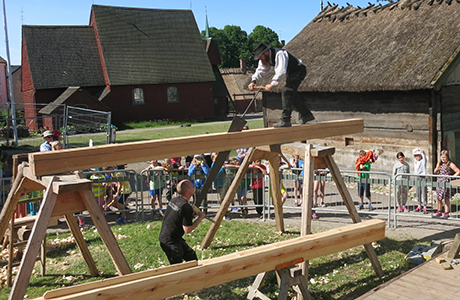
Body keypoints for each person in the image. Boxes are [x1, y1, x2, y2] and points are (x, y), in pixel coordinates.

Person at [248, 43, 314, 127]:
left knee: (287, 92)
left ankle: (285, 119)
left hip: (298, 71)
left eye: (261, 56)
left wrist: (272, 84)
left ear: (266, 52)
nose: (260, 59)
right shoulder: (265, 59)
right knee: (291, 95)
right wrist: (253, 81)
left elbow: (281, 72)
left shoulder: (280, 54)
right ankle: (306, 114)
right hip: (291, 73)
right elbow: (260, 70)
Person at [158, 180, 206, 265]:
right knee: (177, 266)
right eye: (192, 186)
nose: (194, 187)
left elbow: (178, 216)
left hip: (170, 237)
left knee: (192, 258)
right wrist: (200, 218)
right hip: (170, 241)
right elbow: (187, 229)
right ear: (187, 190)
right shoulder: (185, 207)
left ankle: (194, 277)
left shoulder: (175, 200)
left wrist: (191, 214)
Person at [433, 150, 460, 218]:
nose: (442, 159)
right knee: (438, 197)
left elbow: (458, 171)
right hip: (439, 182)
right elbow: (435, 171)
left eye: (444, 157)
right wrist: (436, 169)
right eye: (441, 157)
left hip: (446, 182)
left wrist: (452, 177)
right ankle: (439, 211)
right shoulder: (439, 164)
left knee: (446, 198)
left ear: (447, 157)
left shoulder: (450, 164)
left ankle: (446, 212)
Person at [413, 148, 428, 213]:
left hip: (423, 177)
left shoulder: (423, 161)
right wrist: (417, 148)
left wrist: (422, 151)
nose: (417, 157)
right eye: (416, 156)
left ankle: (425, 206)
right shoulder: (415, 161)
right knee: (418, 191)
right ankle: (419, 205)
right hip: (417, 177)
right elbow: (413, 151)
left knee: (424, 191)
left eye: (418, 156)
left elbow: (424, 156)